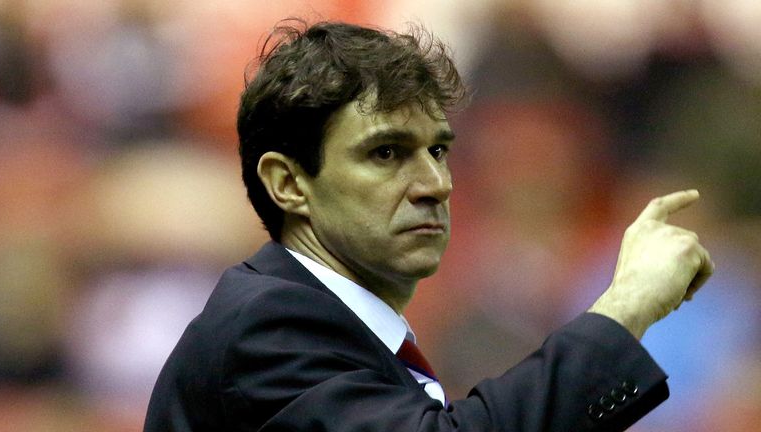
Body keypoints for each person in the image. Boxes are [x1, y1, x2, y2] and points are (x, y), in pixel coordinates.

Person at [143, 19, 714, 431]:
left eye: (438, 151)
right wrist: (627, 306)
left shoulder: (341, 328)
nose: (435, 183)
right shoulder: (267, 325)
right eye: (387, 153)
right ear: (289, 184)